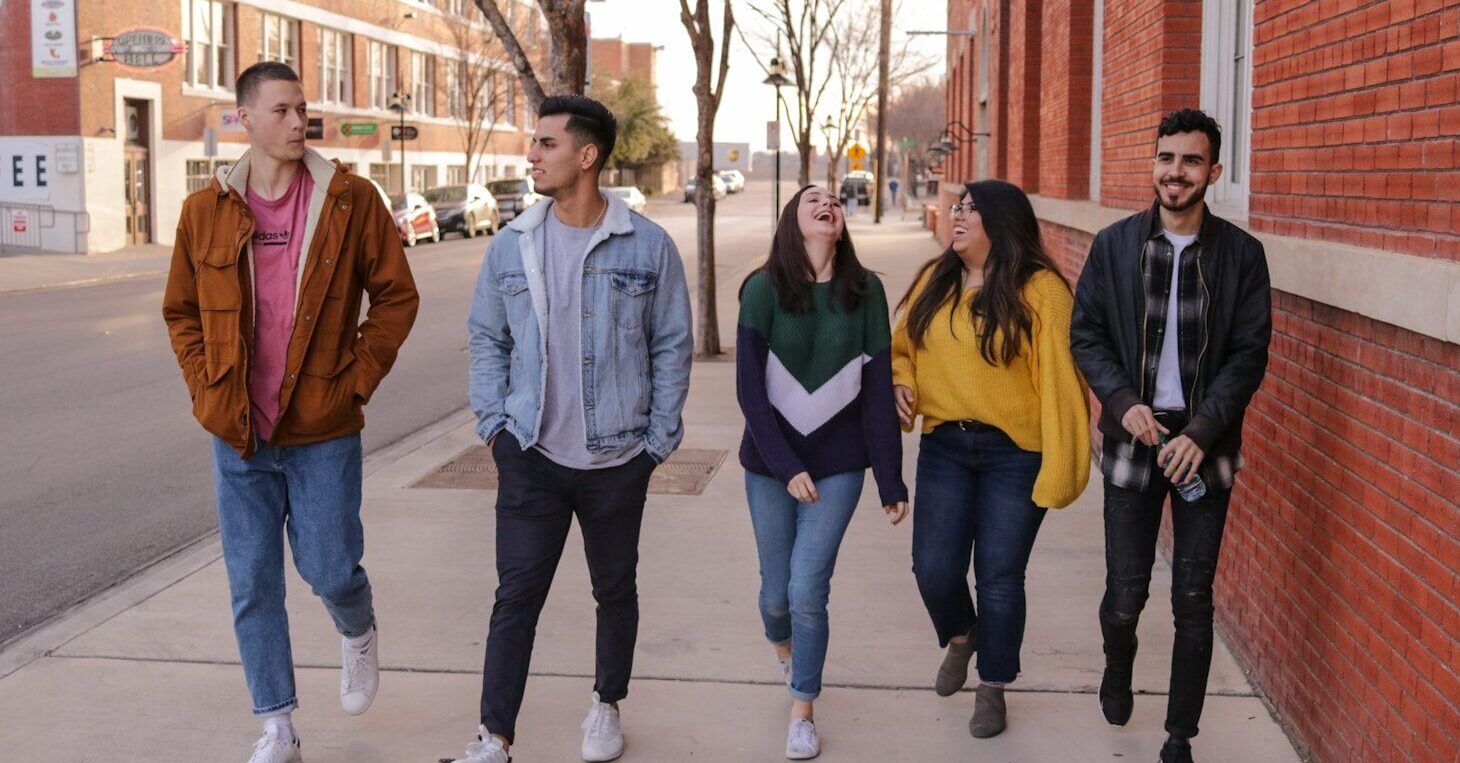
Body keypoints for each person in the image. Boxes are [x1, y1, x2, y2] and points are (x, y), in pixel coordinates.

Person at [161, 61, 419, 763]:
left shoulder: (349, 200)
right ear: (243, 118)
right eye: (280, 110)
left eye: (302, 108)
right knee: (252, 582)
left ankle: (357, 628)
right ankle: (277, 722)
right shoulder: (204, 210)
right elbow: (181, 310)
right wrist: (206, 387)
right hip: (239, 433)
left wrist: (356, 382)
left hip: (323, 426)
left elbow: (397, 297)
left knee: (331, 566)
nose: (297, 121)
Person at [456, 95, 693, 763]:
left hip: (618, 457)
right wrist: (495, 425)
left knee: (614, 587)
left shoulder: (647, 245)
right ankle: (495, 736)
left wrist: (656, 442)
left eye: (545, 143)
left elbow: (672, 342)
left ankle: (606, 704)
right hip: (530, 451)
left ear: (586, 156)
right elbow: (486, 337)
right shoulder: (513, 243)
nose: (531, 154)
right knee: (516, 596)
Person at [1069, 108, 1271, 763]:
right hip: (1134, 440)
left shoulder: (1242, 255)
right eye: (1165, 158)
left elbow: (1248, 353)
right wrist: (1122, 401)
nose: (1174, 172)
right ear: (1153, 164)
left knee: (1193, 595)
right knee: (1126, 591)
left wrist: (1205, 430)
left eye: (1189, 160)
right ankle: (1117, 659)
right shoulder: (1116, 245)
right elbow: (1088, 335)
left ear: (1212, 171)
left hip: (1202, 448)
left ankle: (1179, 734)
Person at [892, 179, 1090, 740]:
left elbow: (1062, 384)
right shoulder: (935, 280)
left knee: (1000, 577)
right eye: (957, 206)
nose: (957, 216)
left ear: (1001, 223)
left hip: (1016, 454)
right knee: (933, 568)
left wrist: (1063, 465)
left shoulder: (1042, 290)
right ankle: (962, 635)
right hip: (946, 445)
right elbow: (901, 349)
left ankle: (994, 685)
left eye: (970, 210)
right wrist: (900, 383)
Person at [736, 185, 910, 759]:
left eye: (834, 199)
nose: (826, 202)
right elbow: (750, 395)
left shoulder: (867, 292)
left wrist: (890, 479)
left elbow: (878, 393)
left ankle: (802, 708)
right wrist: (786, 468)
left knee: (808, 588)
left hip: (838, 466)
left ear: (841, 223)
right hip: (769, 464)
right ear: (793, 220)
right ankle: (786, 650)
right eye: (812, 198)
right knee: (774, 597)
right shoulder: (761, 290)